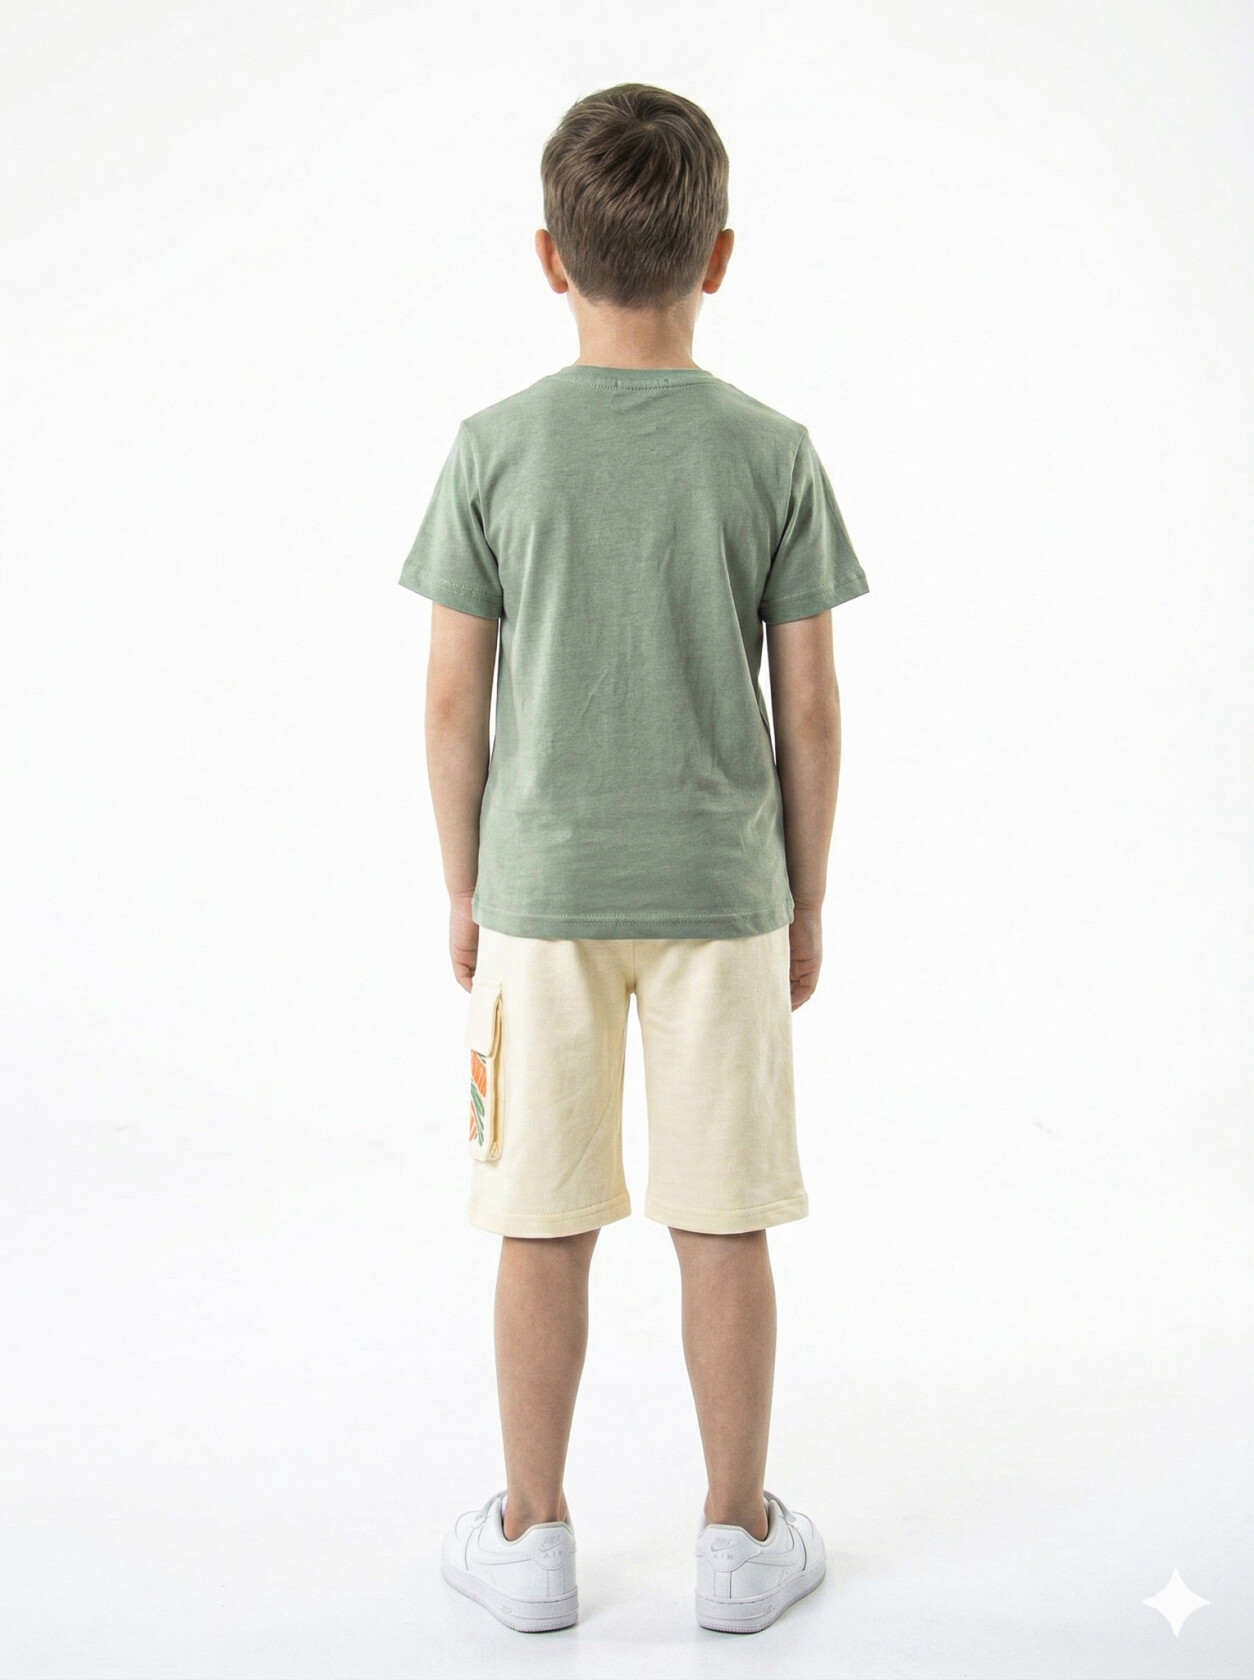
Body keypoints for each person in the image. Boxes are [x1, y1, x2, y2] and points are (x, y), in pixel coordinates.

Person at [397, 82, 869, 1636]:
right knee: (720, 1219)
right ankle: (737, 1539)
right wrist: (804, 898)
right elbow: (809, 705)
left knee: (541, 1221)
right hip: (721, 898)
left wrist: (465, 885)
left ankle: (530, 1535)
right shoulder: (769, 452)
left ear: (550, 257)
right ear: (717, 255)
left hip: (540, 898)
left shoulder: (493, 449)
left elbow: (451, 697)